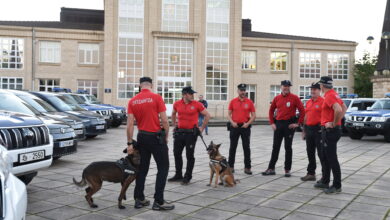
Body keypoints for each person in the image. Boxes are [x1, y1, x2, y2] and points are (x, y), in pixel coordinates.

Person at [126, 77, 174, 210]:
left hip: (142, 137)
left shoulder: (133, 101)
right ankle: (158, 201)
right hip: (156, 137)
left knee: (142, 169)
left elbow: (130, 124)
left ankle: (139, 199)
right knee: (163, 168)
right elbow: (164, 120)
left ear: (140, 86)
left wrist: (129, 143)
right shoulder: (156, 97)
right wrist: (166, 136)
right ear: (151, 85)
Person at [168, 87, 210, 185]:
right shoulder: (177, 103)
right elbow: (173, 114)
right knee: (176, 153)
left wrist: (202, 128)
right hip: (179, 133)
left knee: (189, 155)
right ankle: (178, 175)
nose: (193, 96)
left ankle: (188, 176)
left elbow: (207, 115)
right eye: (191, 94)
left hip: (191, 134)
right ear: (185, 94)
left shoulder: (197, 104)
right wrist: (174, 125)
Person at [262, 80, 305, 177]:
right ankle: (271, 168)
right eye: (284, 86)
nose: (286, 88)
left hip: (289, 125)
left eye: (288, 86)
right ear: (281, 87)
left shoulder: (294, 98)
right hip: (279, 124)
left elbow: (302, 111)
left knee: (288, 147)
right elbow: (271, 110)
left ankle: (287, 169)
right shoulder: (277, 98)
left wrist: (297, 124)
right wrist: (272, 123)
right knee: (275, 147)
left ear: (289, 87)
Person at [316, 76, 347, 194]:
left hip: (330, 131)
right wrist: (338, 121)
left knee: (332, 158)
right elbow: (344, 107)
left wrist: (334, 123)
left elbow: (339, 110)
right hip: (331, 131)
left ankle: (337, 185)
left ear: (322, 85)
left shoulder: (329, 96)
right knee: (325, 156)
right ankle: (325, 181)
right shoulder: (335, 94)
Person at [227, 84, 256, 175]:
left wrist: (247, 124)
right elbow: (228, 114)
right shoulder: (233, 101)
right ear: (238, 91)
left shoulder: (249, 102)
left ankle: (247, 167)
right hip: (234, 127)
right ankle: (230, 166)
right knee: (232, 147)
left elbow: (254, 115)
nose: (243, 92)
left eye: (244, 90)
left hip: (245, 127)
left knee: (246, 147)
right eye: (241, 90)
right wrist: (232, 122)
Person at [301, 82, 326, 182]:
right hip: (309, 130)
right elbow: (306, 117)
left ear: (319, 91)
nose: (312, 91)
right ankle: (311, 173)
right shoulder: (308, 102)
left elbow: (327, 115)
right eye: (311, 89)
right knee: (310, 153)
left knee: (321, 154)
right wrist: (304, 130)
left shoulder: (323, 101)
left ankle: (325, 176)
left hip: (319, 130)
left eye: (315, 89)